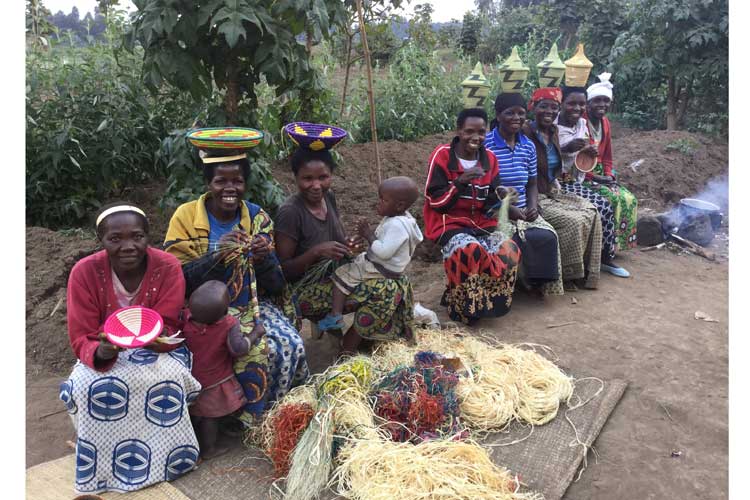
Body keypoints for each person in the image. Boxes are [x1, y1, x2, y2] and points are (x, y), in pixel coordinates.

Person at [60, 204, 200, 494]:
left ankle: (167, 462)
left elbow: (167, 322)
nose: (128, 246)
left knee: (165, 381)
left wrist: (137, 342)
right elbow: (80, 335)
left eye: (137, 236)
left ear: (148, 237)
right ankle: (102, 473)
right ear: (102, 241)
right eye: (115, 239)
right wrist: (103, 351)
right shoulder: (83, 273)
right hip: (103, 351)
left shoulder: (167, 266)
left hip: (157, 347)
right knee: (86, 387)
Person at [164, 150, 309, 426]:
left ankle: (267, 416)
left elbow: (276, 283)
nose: (230, 188)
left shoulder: (257, 218)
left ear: (246, 184)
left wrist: (264, 258)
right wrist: (218, 254)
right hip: (201, 312)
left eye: (238, 181)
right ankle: (222, 416)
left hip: (252, 305)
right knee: (234, 351)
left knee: (288, 344)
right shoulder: (185, 216)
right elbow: (177, 280)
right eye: (220, 181)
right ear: (209, 184)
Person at [275, 147, 416, 355]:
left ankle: (370, 336)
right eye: (307, 178)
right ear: (295, 177)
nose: (316, 185)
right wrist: (316, 252)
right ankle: (348, 347)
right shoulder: (290, 212)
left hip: (333, 273)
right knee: (385, 290)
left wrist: (350, 245)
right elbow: (282, 271)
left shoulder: (328, 197)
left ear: (331, 175)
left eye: (323, 177)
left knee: (397, 281)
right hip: (302, 290)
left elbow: (339, 239)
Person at [423, 107, 521, 324]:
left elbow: (490, 202)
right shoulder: (442, 156)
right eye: (469, 131)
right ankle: (461, 307)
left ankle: (487, 303)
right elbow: (435, 202)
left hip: (480, 223)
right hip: (448, 223)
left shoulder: (490, 159)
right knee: (469, 250)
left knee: (508, 249)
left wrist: (503, 195)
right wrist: (460, 182)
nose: (475, 137)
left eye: (481, 132)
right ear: (458, 131)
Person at [319, 176, 423, 341]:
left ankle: (335, 316)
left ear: (400, 205)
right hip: (388, 266)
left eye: (384, 200)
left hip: (381, 267)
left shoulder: (397, 225)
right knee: (357, 260)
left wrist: (368, 234)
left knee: (342, 274)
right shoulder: (404, 219)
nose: (379, 202)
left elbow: (383, 252)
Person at [523, 87, 604, 289]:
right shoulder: (526, 133)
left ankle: (586, 273)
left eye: (553, 108)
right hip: (533, 195)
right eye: (544, 107)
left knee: (592, 211)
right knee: (574, 221)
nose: (549, 112)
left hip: (553, 189)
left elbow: (559, 164)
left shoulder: (554, 131)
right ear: (533, 108)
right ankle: (566, 275)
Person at [484, 93, 563, 295]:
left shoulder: (527, 146)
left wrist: (533, 207)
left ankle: (537, 284)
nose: (517, 118)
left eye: (521, 113)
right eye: (510, 113)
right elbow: (484, 188)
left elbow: (532, 183)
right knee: (513, 239)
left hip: (523, 207)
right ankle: (509, 287)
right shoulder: (486, 145)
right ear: (498, 115)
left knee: (547, 236)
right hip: (494, 208)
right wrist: (509, 209)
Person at [556, 84, 630, 278]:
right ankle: (600, 259)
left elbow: (588, 158)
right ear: (561, 103)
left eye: (581, 104)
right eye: (572, 103)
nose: (577, 108)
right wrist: (567, 148)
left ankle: (606, 255)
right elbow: (550, 157)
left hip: (577, 178)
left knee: (615, 200)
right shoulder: (553, 126)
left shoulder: (581, 124)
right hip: (559, 181)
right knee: (603, 205)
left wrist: (588, 154)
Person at [182, 281, 256, 460]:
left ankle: (188, 444)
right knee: (210, 417)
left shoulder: (184, 318)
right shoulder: (228, 324)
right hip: (214, 380)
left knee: (193, 413)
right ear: (224, 312)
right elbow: (238, 349)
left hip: (189, 377)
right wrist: (256, 334)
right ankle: (209, 449)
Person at [585, 73, 639, 253]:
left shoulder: (605, 123)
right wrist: (597, 178)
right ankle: (605, 248)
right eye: (597, 100)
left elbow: (608, 155)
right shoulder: (581, 122)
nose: (602, 105)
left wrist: (608, 174)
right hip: (585, 173)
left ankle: (618, 245)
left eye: (606, 101)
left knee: (630, 199)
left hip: (601, 173)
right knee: (612, 198)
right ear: (588, 103)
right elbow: (575, 162)